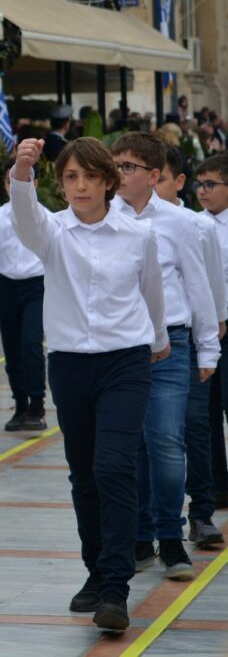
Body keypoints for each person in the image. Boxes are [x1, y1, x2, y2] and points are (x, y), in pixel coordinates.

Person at [11, 136, 168, 632]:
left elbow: (151, 291)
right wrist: (22, 170)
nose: (81, 186)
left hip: (126, 362)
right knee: (84, 474)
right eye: (71, 177)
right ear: (60, 184)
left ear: (109, 181)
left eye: (91, 176)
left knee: (114, 466)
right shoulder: (51, 233)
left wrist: (159, 339)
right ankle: (96, 571)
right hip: (70, 364)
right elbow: (24, 217)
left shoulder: (138, 234)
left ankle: (116, 588)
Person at [109, 132, 218, 583]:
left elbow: (198, 285)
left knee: (167, 441)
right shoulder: (102, 216)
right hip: (120, 345)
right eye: (115, 164)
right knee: (130, 444)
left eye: (128, 167)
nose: (119, 174)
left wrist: (208, 346)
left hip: (171, 342)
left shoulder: (180, 222)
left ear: (154, 176)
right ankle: (140, 535)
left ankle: (171, 535)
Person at [156, 146, 227, 550]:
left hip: (189, 337)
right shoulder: (123, 222)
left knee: (195, 424)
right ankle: (146, 525)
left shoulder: (195, 226)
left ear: (175, 181)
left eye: (159, 177)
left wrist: (209, 340)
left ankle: (201, 511)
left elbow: (211, 290)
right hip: (141, 342)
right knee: (153, 436)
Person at [0, 164, 48, 431]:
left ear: (35, 184)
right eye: (10, 181)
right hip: (7, 285)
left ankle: (37, 405)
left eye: (24, 180)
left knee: (31, 344)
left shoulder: (45, 216)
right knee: (11, 350)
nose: (15, 187)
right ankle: (20, 405)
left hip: (36, 286)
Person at [196, 154, 228, 510]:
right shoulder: (195, 225)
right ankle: (218, 483)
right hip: (206, 329)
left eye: (210, 184)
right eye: (199, 184)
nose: (202, 191)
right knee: (207, 411)